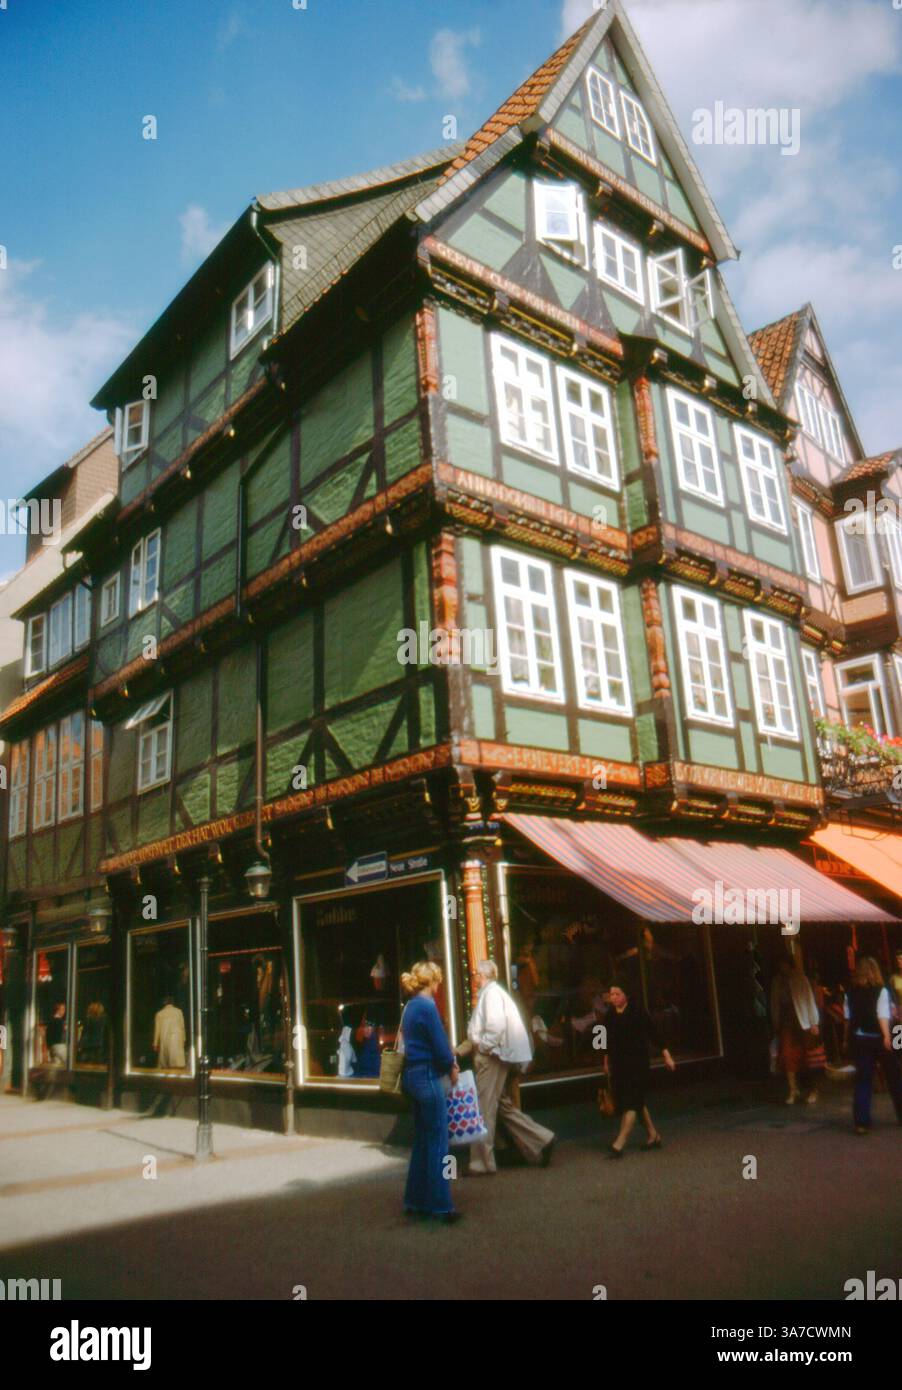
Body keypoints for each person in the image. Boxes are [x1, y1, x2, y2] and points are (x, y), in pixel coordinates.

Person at [460, 960, 555, 1175]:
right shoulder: (493, 993)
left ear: (482, 976)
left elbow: (495, 1027)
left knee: (484, 1110)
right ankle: (542, 1138)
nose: (473, 978)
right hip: (495, 1056)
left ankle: (482, 1162)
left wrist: (483, 1048)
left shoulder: (491, 995)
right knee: (503, 1107)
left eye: (475, 974)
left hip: (491, 1057)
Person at [399, 961, 461, 1223]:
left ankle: (414, 1200)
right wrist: (451, 1066)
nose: (439, 986)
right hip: (428, 1075)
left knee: (423, 1140)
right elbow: (440, 1045)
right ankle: (442, 1205)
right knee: (439, 1142)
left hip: (412, 1075)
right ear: (433, 982)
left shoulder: (409, 1007)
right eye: (439, 981)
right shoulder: (428, 1006)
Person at [603, 977, 675, 1157]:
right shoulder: (610, 1015)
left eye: (617, 994)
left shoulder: (637, 1012)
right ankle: (653, 1135)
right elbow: (603, 1039)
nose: (613, 997)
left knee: (631, 1104)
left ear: (626, 995)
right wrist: (605, 1061)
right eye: (611, 994)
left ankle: (619, 1144)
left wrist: (666, 1055)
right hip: (620, 1066)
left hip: (638, 1064)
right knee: (637, 1101)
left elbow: (654, 1032)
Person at [843, 956, 902, 1135]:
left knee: (863, 1080)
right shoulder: (881, 991)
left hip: (859, 1038)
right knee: (894, 1077)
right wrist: (886, 1036)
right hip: (878, 1037)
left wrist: (845, 1039)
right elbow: (882, 1015)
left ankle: (861, 1122)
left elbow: (848, 1018)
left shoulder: (850, 992)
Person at [770, 957, 821, 1104]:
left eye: (785, 966)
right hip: (786, 1023)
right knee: (787, 1056)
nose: (783, 969)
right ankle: (793, 1089)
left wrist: (813, 1022)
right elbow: (775, 1002)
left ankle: (813, 1089)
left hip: (802, 1022)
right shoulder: (777, 982)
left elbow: (808, 999)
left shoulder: (800, 978)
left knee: (808, 1057)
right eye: (781, 966)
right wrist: (775, 1021)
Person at [152, 995, 186, 1070]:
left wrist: (155, 1043)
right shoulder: (179, 1012)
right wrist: (183, 1039)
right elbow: (182, 1027)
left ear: (164, 1003)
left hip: (165, 1038)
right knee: (177, 1062)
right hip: (177, 1039)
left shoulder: (160, 1014)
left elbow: (157, 1030)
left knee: (165, 1062)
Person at [889, 948, 902, 1023]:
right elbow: (892, 996)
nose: (898, 961)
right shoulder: (893, 978)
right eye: (897, 959)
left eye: (900, 959)